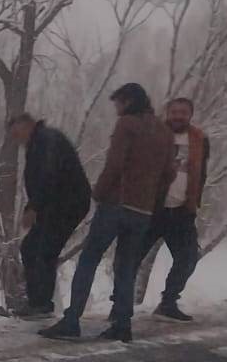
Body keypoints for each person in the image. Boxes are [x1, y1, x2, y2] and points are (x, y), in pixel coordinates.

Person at [39, 83, 176, 343]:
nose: (116, 110)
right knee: (125, 267)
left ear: (127, 102)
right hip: (143, 210)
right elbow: (169, 173)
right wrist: (153, 200)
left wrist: (99, 193)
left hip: (117, 203)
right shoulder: (164, 131)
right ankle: (122, 325)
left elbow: (115, 163)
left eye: (118, 104)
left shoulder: (127, 124)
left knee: (89, 260)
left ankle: (71, 321)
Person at [5, 114, 91, 320]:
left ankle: (41, 305)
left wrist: (34, 208)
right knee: (30, 247)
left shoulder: (46, 140)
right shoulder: (38, 142)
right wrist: (32, 206)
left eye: (17, 133)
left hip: (68, 204)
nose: (17, 140)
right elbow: (40, 181)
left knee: (44, 250)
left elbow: (48, 174)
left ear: (27, 125)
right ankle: (37, 302)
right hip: (54, 204)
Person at [136, 97, 210, 322]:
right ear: (167, 113)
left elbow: (201, 172)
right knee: (130, 256)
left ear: (190, 114)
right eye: (174, 111)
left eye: (183, 112)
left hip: (181, 210)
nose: (178, 116)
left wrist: (193, 202)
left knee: (188, 257)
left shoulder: (199, 138)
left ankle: (168, 302)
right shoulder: (153, 133)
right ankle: (118, 304)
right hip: (152, 208)